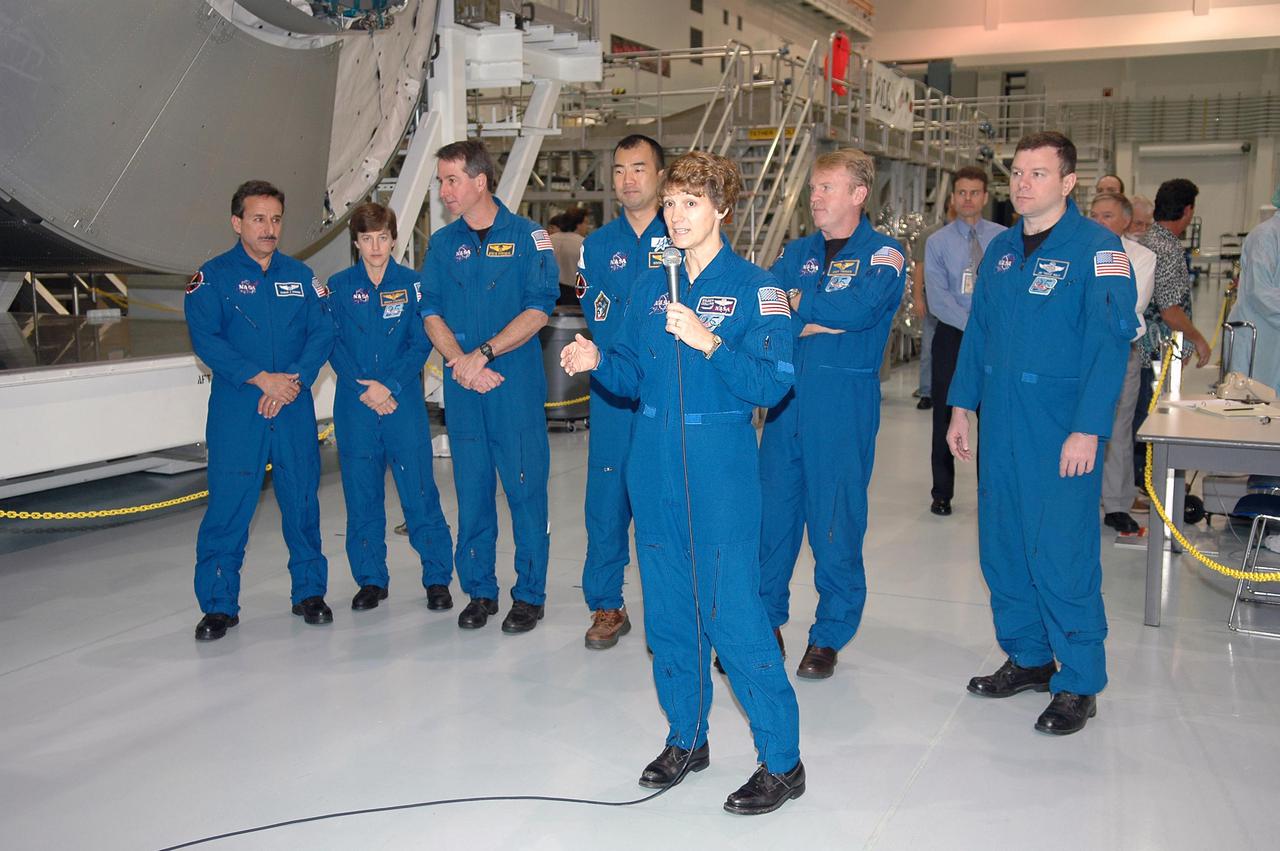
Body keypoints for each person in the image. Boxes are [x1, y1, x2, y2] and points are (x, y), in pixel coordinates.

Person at [560, 151, 805, 815]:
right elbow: (636, 374)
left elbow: (774, 382)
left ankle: (782, 759)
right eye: (671, 203)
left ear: (722, 209)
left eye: (691, 202)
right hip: (653, 453)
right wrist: (597, 360)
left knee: (731, 612)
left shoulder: (758, 289)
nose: (676, 214)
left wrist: (710, 343)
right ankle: (686, 735)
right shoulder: (650, 285)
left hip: (719, 458)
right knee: (668, 609)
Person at [946, 131, 1137, 735]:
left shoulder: (1098, 249)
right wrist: (960, 407)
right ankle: (1028, 655)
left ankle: (1079, 679)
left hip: (1058, 427)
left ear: (1068, 182)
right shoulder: (1002, 251)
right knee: (1001, 544)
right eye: (1018, 174)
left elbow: (1109, 347)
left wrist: (1087, 430)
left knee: (1060, 550)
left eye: (1038, 174)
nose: (1023, 185)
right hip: (1000, 420)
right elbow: (977, 335)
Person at [757, 149, 907, 680]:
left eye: (826, 188)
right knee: (772, 519)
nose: (814, 198)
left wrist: (800, 307)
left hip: (843, 405)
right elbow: (766, 309)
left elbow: (860, 311)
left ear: (858, 194)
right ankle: (766, 621)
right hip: (786, 401)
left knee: (835, 521)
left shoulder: (884, 255)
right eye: (814, 189)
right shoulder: (797, 251)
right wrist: (809, 313)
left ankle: (828, 633)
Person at [185, 180, 335, 641]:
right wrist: (258, 377)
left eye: (275, 219)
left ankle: (309, 592)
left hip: (291, 405)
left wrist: (292, 380)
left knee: (302, 501)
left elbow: (322, 330)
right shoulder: (212, 277)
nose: (269, 228)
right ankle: (218, 605)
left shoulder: (301, 276)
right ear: (237, 223)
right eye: (258, 218)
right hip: (239, 408)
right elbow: (206, 337)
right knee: (229, 507)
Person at [418, 140, 558, 634]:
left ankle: (529, 594)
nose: (443, 191)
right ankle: (480, 590)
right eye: (440, 181)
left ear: (480, 181)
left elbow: (539, 309)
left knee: (525, 491)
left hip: (511, 384)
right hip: (464, 386)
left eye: (451, 180)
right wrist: (460, 362)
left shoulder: (528, 238)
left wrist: (486, 354)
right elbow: (429, 309)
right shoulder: (442, 244)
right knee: (472, 491)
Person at [327, 202, 455, 612]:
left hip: (402, 406)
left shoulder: (415, 286)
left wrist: (391, 385)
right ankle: (369, 580)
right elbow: (331, 342)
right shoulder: (339, 286)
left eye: (383, 237)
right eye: (367, 239)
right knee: (361, 497)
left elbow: (422, 341)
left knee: (419, 492)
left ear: (394, 238)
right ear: (356, 242)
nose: (376, 246)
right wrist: (365, 388)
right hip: (356, 405)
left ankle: (437, 577)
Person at [573, 134, 667, 650]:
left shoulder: (681, 237)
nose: (628, 180)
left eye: (639, 168)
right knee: (606, 501)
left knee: (662, 502)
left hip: (665, 393)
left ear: (659, 176)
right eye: (619, 169)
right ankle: (607, 604)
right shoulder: (598, 245)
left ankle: (668, 610)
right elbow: (598, 314)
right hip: (612, 392)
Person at [923, 166, 1006, 516]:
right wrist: (974, 325)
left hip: (996, 339)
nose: (968, 198)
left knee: (995, 415)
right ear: (953, 198)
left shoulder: (1005, 239)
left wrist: (988, 327)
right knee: (945, 413)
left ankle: (992, 491)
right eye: (962, 193)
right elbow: (939, 299)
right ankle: (942, 492)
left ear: (985, 197)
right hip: (953, 337)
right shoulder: (937, 242)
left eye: (974, 192)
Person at [1132, 179, 1212, 488]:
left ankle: (1140, 476)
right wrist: (1198, 339)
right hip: (1151, 352)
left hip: (1146, 351)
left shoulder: (1150, 239)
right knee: (1147, 416)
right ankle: (1142, 478)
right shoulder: (1165, 248)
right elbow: (1170, 311)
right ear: (1188, 210)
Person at [1089, 192, 1157, 535]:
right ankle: (1080, 500)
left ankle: (1115, 504)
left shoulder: (1141, 257)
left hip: (1118, 351)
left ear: (1126, 222)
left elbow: (1130, 305)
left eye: (1107, 216)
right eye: (1095, 215)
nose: (1099, 222)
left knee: (1117, 429)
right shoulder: (1078, 252)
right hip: (1077, 353)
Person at [1227, 186, 1280, 391]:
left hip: (1273, 340)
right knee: (1251, 404)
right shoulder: (1266, 236)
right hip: (1258, 338)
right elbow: (1260, 293)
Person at [551, 208, 588, 303]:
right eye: (586, 223)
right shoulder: (584, 244)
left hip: (549, 294)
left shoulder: (548, 241)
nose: (586, 227)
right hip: (574, 296)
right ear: (578, 225)